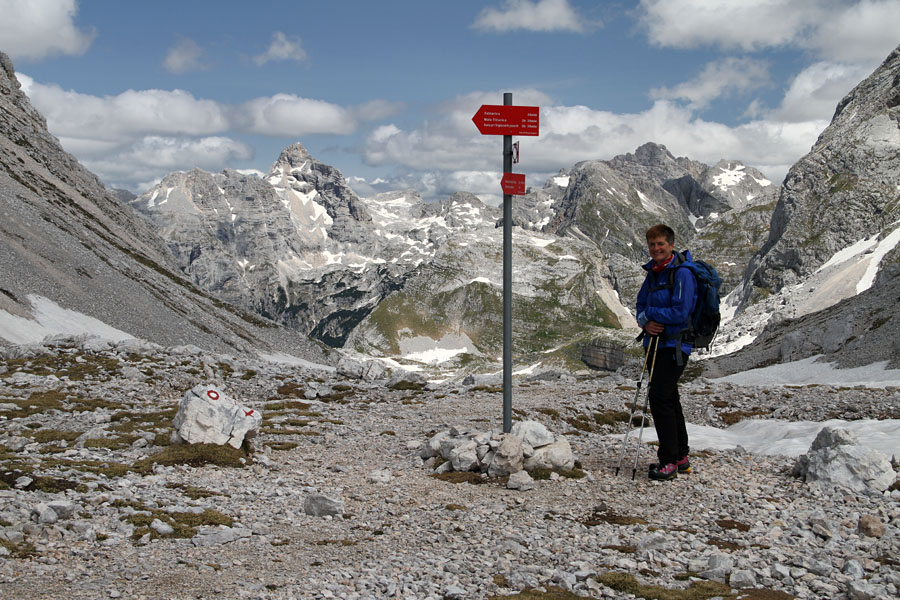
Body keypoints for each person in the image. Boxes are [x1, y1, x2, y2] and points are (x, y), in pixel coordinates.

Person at [635, 224, 698, 481]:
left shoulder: (682, 274)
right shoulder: (653, 274)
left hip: (676, 346)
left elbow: (680, 312)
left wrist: (651, 315)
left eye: (660, 244)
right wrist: (644, 320)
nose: (656, 249)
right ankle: (681, 457)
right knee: (669, 398)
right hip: (655, 345)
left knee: (659, 397)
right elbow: (640, 304)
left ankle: (668, 461)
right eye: (652, 245)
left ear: (671, 245)